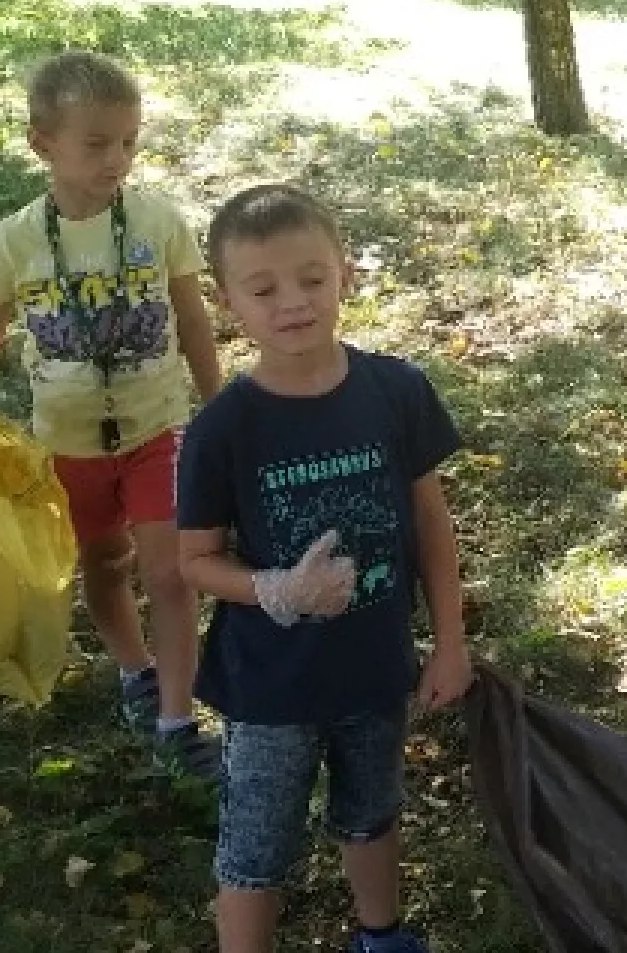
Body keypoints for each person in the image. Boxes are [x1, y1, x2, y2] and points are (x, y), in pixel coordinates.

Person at [176, 184, 474, 952]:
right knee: (257, 847)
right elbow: (195, 561)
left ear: (345, 270)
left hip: (375, 669)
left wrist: (449, 642)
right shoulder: (223, 429)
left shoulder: (395, 391)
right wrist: (272, 588)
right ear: (227, 299)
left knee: (372, 810)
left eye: (312, 277)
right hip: (271, 685)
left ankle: (382, 936)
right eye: (264, 288)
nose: (293, 303)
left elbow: (431, 524)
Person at [0, 50, 224, 780]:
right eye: (97, 143)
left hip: (157, 429)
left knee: (171, 573)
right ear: (43, 143)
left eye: (130, 140)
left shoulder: (160, 222)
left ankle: (175, 717)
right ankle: (134, 669)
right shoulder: (16, 241)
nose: (119, 158)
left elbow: (194, 323)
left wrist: (219, 407)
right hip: (66, 446)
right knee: (105, 564)